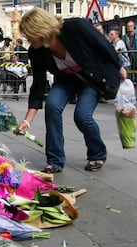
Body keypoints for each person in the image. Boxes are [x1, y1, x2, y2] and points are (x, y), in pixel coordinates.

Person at [15, 8, 126, 173]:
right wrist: (27, 121)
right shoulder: (36, 51)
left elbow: (102, 44)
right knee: (52, 105)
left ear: (40, 29)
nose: (28, 40)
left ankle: (97, 155)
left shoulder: (75, 27)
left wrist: (120, 68)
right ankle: (54, 161)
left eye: (29, 34)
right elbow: (38, 85)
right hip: (66, 80)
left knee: (82, 115)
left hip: (91, 78)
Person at [122, 20, 137, 97]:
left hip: (136, 60)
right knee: (128, 79)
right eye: (128, 26)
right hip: (127, 60)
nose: (129, 28)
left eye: (131, 26)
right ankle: (129, 95)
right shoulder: (124, 38)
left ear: (134, 27)